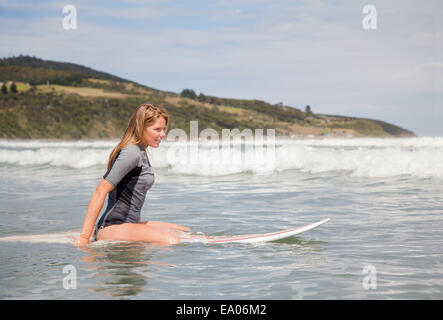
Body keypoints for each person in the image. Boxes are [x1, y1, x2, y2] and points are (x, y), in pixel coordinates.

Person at [74, 103, 190, 246]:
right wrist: (84, 238)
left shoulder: (141, 152)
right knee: (172, 241)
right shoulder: (131, 152)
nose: (163, 134)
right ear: (141, 127)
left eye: (164, 129)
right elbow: (100, 190)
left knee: (185, 231)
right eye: (157, 129)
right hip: (113, 226)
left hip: (129, 223)